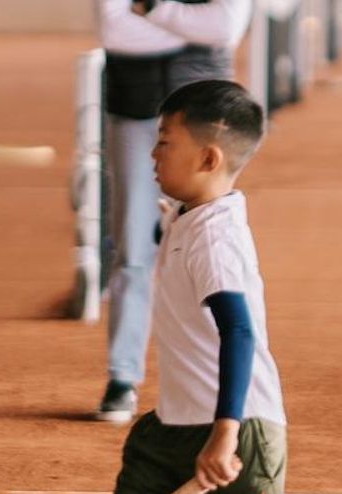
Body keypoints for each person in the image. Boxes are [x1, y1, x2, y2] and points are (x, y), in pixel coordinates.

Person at [72, 81, 342, 494]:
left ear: (208, 157)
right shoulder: (189, 215)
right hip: (171, 431)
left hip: (235, 433)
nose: (152, 155)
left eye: (164, 143)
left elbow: (240, 332)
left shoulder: (216, 238)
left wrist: (225, 433)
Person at [95, 0, 251, 422]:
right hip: (134, 107)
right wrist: (187, 27)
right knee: (133, 249)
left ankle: (223, 384)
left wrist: (153, 12)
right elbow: (114, 31)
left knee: (213, 241)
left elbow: (224, 26)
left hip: (209, 115)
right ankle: (123, 377)